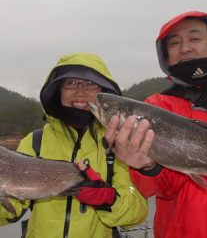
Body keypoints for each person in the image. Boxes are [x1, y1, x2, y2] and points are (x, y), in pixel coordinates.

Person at [104, 11, 207, 238]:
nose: (185, 48)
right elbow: (159, 189)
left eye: (195, 39)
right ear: (166, 56)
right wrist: (146, 167)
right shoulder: (156, 107)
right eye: (174, 43)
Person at [0, 53, 148, 237]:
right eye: (70, 83)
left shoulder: (120, 144)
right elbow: (10, 209)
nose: (80, 91)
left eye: (90, 84)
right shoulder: (33, 141)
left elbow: (138, 212)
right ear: (58, 91)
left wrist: (108, 199)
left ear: (104, 94)